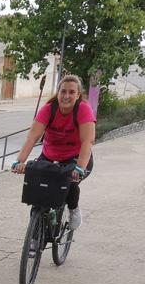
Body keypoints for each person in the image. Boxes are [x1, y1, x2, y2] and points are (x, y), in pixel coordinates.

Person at [10, 74, 96, 230]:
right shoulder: (49, 109)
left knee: (70, 181)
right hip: (50, 155)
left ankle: (73, 209)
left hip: (76, 157)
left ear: (78, 95)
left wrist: (80, 168)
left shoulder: (83, 109)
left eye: (71, 92)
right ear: (58, 92)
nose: (66, 96)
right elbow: (32, 137)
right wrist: (20, 161)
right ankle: (35, 237)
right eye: (63, 91)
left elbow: (87, 141)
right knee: (38, 192)